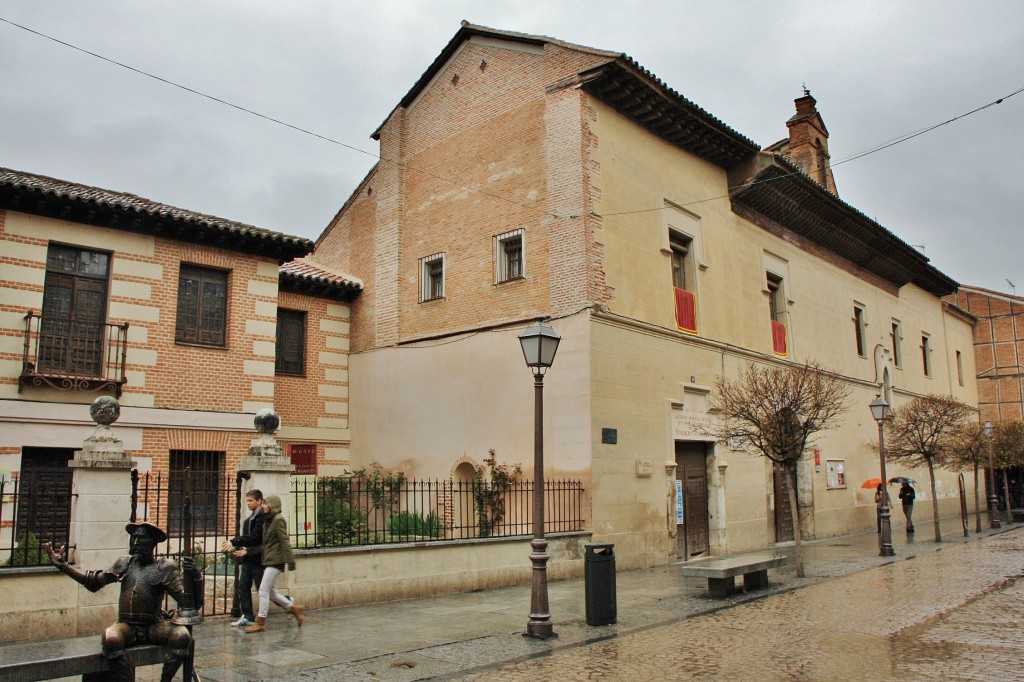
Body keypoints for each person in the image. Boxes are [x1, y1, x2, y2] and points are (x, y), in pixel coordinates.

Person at [45, 522, 203, 682]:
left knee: (182, 635)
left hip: (154, 625)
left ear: (153, 541)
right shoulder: (124, 563)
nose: (135, 543)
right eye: (134, 538)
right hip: (127, 625)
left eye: (141, 539)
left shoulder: (164, 567)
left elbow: (189, 604)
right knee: (111, 637)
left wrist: (196, 578)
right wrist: (64, 567)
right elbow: (93, 582)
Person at [244, 494, 304, 633]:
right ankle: (293, 608)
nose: (263, 506)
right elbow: (265, 544)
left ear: (273, 506)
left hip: (276, 561)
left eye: (266, 504)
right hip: (269, 559)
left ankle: (260, 622)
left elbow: (284, 541)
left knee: (263, 590)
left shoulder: (278, 520)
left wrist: (291, 561)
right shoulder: (267, 521)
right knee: (272, 593)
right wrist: (249, 551)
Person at [221, 488, 264, 627]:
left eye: (251, 500)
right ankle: (248, 616)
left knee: (263, 589)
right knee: (243, 586)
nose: (248, 503)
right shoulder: (248, 520)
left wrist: (234, 541)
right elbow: (248, 538)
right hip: (248, 559)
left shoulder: (263, 518)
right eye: (247, 501)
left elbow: (256, 538)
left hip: (259, 559)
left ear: (259, 501)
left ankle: (289, 604)